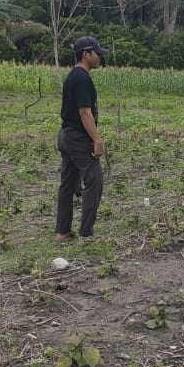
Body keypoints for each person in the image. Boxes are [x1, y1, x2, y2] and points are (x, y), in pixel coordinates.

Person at [55, 36, 108, 241]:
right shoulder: (82, 78)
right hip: (78, 138)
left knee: (68, 184)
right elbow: (85, 112)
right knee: (94, 180)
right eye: (97, 53)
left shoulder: (72, 76)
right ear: (86, 54)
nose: (100, 57)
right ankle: (86, 232)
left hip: (66, 135)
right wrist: (97, 140)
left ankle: (63, 231)